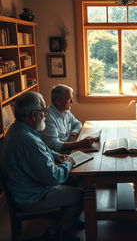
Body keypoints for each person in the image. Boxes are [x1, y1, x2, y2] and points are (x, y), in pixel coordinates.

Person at [0, 91, 83, 241]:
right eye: (44, 111)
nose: (46, 115)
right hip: (32, 196)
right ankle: (58, 232)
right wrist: (67, 163)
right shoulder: (27, 140)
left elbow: (43, 148)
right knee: (83, 196)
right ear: (33, 115)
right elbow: (54, 177)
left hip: (27, 187)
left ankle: (67, 221)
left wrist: (56, 155)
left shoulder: (18, 129)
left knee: (78, 180)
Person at [42, 84, 96, 153]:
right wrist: (80, 143)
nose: (72, 102)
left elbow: (77, 124)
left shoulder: (66, 111)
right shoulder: (48, 118)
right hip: (61, 156)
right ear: (58, 101)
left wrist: (73, 134)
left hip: (72, 148)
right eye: (69, 99)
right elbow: (54, 145)